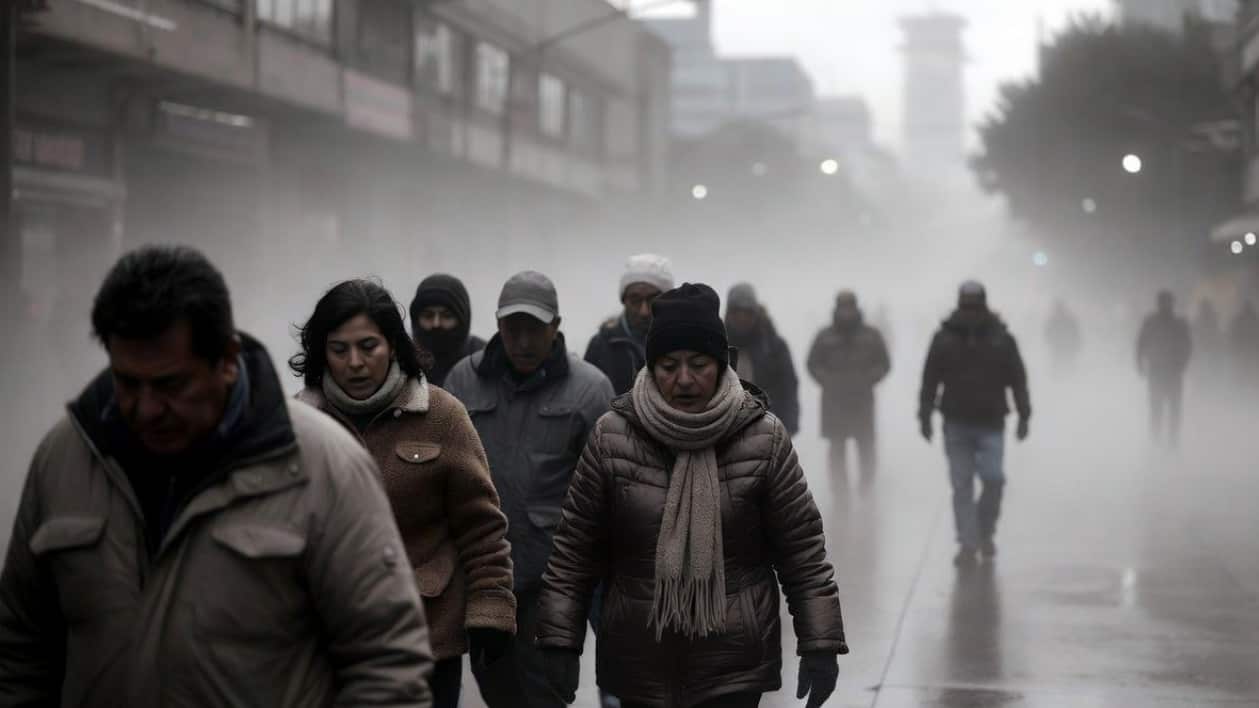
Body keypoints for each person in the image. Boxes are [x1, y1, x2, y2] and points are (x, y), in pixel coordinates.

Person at [0, 246, 434, 706]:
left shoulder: (325, 467)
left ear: (226, 360)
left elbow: (387, 667)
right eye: (126, 382)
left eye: (170, 384)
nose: (146, 409)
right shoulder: (64, 459)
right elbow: (19, 653)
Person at [534, 283, 848, 708]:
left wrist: (820, 642)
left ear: (721, 364)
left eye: (699, 364)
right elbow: (574, 550)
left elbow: (802, 550)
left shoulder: (763, 437)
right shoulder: (612, 436)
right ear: (651, 366)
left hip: (733, 664)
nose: (683, 379)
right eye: (668, 365)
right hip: (638, 661)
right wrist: (559, 639)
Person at [293, 279, 516, 708]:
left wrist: (491, 609)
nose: (355, 363)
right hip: (327, 638)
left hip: (426, 636)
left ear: (393, 345)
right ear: (322, 352)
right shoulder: (299, 423)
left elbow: (481, 527)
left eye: (368, 346)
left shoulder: (442, 415)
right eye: (339, 349)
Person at [444, 270, 614, 708]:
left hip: (554, 584)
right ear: (497, 325)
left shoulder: (590, 391)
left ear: (556, 327)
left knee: (547, 694)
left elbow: (607, 495)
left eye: (534, 329)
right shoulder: (463, 382)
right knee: (497, 691)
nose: (522, 341)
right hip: (484, 578)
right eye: (512, 328)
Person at [919, 281, 1031, 568]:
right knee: (962, 485)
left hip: (991, 422)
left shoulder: (1001, 339)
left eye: (974, 305)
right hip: (956, 422)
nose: (970, 311)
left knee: (994, 480)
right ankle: (968, 543)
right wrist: (925, 414)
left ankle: (984, 531)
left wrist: (1024, 414)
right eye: (966, 305)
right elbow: (930, 378)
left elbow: (1017, 378)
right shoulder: (944, 339)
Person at [806, 290, 891, 489]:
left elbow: (884, 362)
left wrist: (869, 378)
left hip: (863, 400)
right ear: (836, 308)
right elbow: (812, 363)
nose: (846, 312)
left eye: (849, 307)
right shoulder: (824, 336)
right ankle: (840, 494)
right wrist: (827, 380)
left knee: (866, 448)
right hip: (834, 402)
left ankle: (866, 490)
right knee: (837, 449)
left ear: (856, 308)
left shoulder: (871, 335)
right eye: (842, 307)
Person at [585, 253, 675, 395]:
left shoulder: (684, 342)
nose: (644, 311)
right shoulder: (601, 345)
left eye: (653, 300)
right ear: (624, 300)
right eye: (635, 300)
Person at [724, 282, 800, 436]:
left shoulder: (774, 346)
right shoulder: (716, 343)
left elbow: (788, 385)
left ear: (755, 313)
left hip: (768, 427)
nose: (742, 318)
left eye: (747, 312)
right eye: (736, 312)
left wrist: (789, 424)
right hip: (726, 427)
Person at [1135, 290, 1192, 446]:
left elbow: (1187, 346)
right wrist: (1139, 363)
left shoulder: (1178, 324)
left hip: (1171, 371)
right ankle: (1156, 440)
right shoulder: (1153, 322)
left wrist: (1182, 364)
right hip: (1158, 371)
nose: (1165, 305)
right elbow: (1141, 343)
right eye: (1163, 302)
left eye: (1167, 302)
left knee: (1172, 409)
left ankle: (1171, 441)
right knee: (1157, 408)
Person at [410, 273, 486, 387]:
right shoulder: (403, 362)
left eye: (447, 316)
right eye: (428, 315)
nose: (436, 324)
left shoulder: (484, 361)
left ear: (462, 320)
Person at [1044, 299, 1082, 377]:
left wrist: (1076, 344)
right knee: (1061, 364)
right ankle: (1062, 377)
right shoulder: (1055, 320)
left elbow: (1075, 333)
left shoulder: (1057, 320)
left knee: (1065, 364)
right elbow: (1048, 333)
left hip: (1065, 347)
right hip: (1060, 347)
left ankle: (1065, 377)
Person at [1228, 300, 1259, 391]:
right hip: (1251, 353)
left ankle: (1241, 389)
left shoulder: (1239, 320)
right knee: (1250, 373)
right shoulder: (1255, 320)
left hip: (1242, 352)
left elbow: (1233, 336)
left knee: (1241, 373)